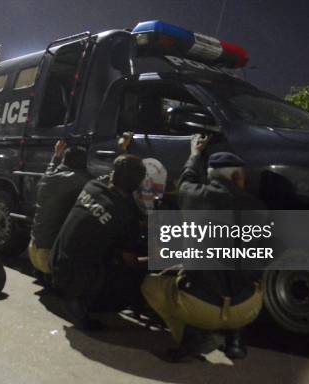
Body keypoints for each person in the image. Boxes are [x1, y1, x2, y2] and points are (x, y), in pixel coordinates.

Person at [141, 136, 265, 362]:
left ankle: (190, 340)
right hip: (247, 308)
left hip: (201, 307)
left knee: (150, 285)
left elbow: (186, 179)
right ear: (238, 177)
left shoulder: (194, 195)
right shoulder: (258, 208)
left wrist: (195, 153)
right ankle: (236, 340)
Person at [50, 154, 147, 330]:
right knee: (127, 270)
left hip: (55, 261)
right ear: (137, 185)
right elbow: (131, 262)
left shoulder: (93, 185)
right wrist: (157, 261)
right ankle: (80, 304)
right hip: (74, 280)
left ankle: (73, 292)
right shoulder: (125, 216)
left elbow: (119, 194)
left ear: (113, 174)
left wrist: (124, 152)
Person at [28, 140, 89, 276]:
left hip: (33, 249)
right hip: (49, 257)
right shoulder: (80, 181)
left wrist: (56, 155)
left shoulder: (48, 176)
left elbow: (52, 166)